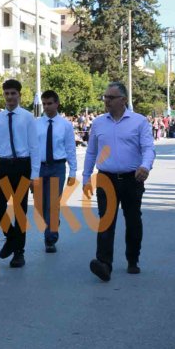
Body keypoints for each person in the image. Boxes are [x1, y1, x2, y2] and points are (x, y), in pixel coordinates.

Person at [83, 82, 156, 282]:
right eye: (105, 97)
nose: (106, 100)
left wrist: (145, 166)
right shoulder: (98, 123)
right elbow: (91, 152)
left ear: (123, 100)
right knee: (106, 221)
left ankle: (133, 259)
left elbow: (148, 148)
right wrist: (86, 178)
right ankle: (104, 263)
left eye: (111, 97)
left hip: (133, 178)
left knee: (133, 220)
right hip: (106, 178)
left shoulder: (139, 122)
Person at [0, 79, 41, 269]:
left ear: (19, 95)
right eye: (7, 93)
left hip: (22, 166)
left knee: (20, 210)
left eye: (13, 93)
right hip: (3, 165)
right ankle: (11, 237)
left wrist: (34, 176)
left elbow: (34, 147)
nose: (10, 97)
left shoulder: (27, 117)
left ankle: (19, 252)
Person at [36, 90, 77, 253]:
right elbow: (32, 148)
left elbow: (70, 148)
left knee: (52, 204)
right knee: (40, 205)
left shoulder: (65, 125)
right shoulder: (36, 124)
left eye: (50, 103)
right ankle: (52, 221)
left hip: (57, 167)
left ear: (57, 103)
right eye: (44, 104)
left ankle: (50, 238)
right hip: (39, 167)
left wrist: (73, 171)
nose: (46, 107)